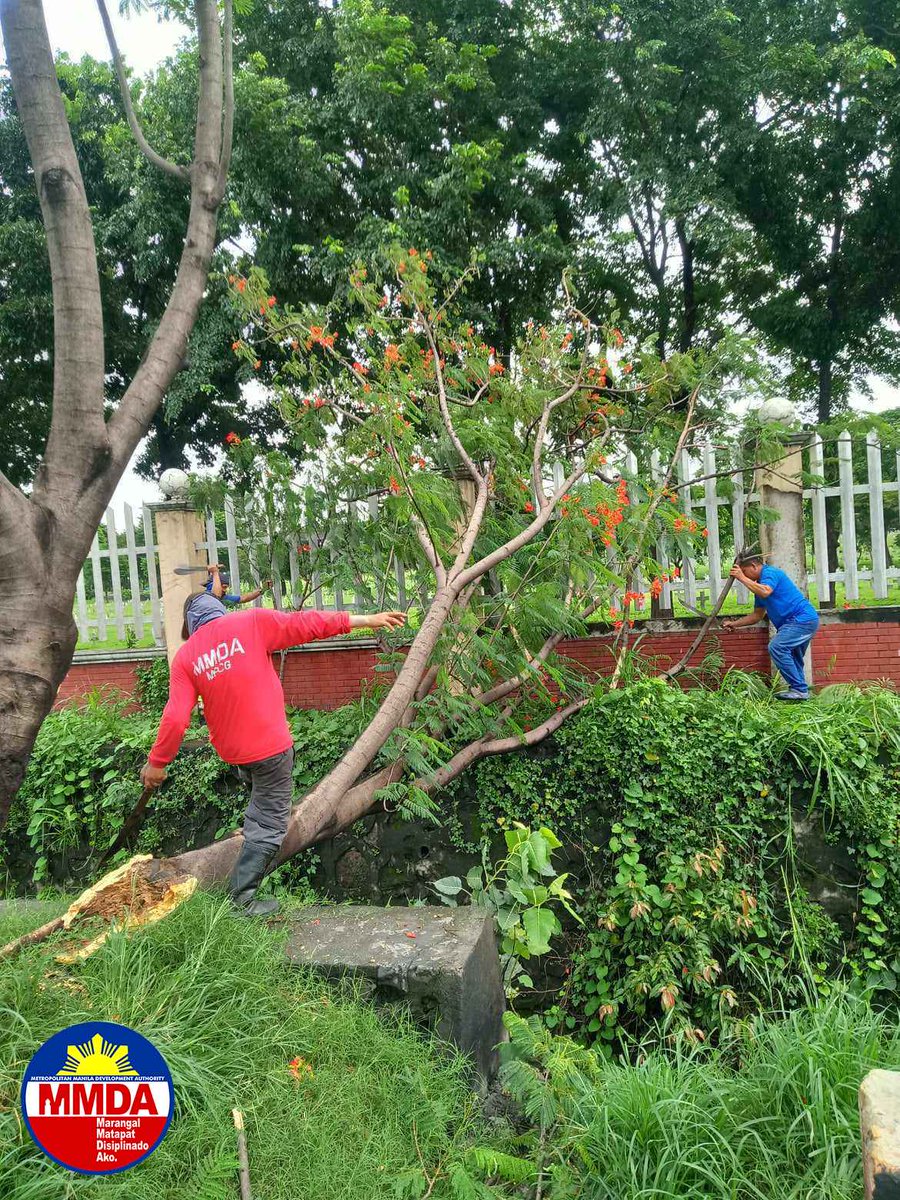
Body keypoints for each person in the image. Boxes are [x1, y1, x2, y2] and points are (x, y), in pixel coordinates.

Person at [140, 593, 406, 915]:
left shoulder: (186, 657)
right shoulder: (250, 622)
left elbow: (175, 717)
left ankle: (254, 822)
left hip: (235, 755)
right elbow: (307, 624)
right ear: (218, 609)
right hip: (270, 750)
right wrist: (365, 620)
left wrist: (157, 764)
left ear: (191, 622)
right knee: (270, 822)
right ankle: (243, 898)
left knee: (260, 792)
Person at [722, 550, 819, 702]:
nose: (745, 576)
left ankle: (799, 690)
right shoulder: (759, 587)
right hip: (795, 623)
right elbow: (757, 615)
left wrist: (741, 577)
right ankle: (801, 697)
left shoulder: (770, 573)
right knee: (794, 658)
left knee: (777, 647)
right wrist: (735, 624)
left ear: (754, 566)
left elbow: (766, 591)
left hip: (802, 619)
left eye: (746, 572)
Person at [205, 563, 270, 606]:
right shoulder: (202, 601)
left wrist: (263, 590)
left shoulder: (224, 598)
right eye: (224, 587)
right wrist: (215, 572)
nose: (225, 590)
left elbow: (244, 598)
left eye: (226, 587)